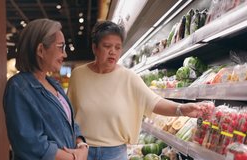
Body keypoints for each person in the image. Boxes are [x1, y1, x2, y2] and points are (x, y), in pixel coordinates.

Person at [67, 20, 213, 160]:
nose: (113, 52)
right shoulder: (78, 76)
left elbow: (154, 102)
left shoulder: (129, 77)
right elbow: (68, 115)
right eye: (107, 46)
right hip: (82, 151)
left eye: (117, 47)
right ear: (95, 48)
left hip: (114, 154)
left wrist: (182, 109)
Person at [3, 19, 88, 160]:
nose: (65, 55)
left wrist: (81, 145)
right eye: (61, 47)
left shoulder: (53, 84)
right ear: (41, 50)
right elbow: (29, 143)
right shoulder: (18, 87)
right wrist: (73, 157)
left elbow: (69, 122)